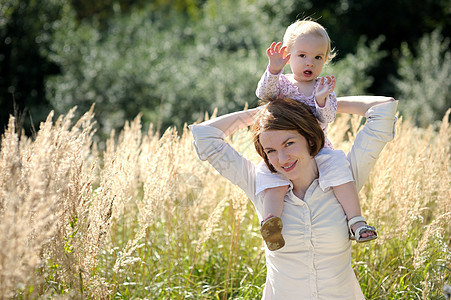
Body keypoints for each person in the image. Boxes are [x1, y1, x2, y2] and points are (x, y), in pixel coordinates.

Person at [190, 96, 397, 299]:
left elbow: (382, 109)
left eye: (289, 143)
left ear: (309, 137)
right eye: (271, 150)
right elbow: (205, 135)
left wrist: (315, 106)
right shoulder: (259, 185)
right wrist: (266, 113)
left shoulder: (343, 177)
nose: (281, 159)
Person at [255, 19, 376, 250]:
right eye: (302, 56)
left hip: (317, 147)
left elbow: (327, 118)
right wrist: (273, 69)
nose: (310, 62)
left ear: (325, 60)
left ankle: (356, 221)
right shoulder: (281, 82)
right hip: (284, 147)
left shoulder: (322, 86)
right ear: (288, 55)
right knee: (271, 175)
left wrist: (321, 99)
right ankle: (271, 222)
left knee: (339, 169)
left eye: (318, 57)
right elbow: (263, 93)